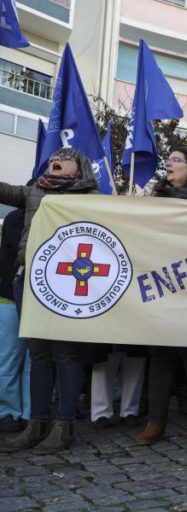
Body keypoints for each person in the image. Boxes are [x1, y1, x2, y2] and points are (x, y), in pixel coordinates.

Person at [0, 148, 99, 453]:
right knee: (40, 355)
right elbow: (5, 191)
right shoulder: (35, 193)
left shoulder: (93, 200)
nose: (57, 158)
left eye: (65, 157)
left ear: (78, 168)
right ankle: (36, 425)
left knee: (66, 355)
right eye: (54, 156)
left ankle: (64, 426)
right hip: (28, 281)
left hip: (68, 287)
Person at [135, 147, 187, 446]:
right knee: (161, 356)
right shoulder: (155, 200)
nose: (169, 163)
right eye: (167, 159)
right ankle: (155, 421)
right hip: (160, 284)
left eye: (176, 160)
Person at [0, 207, 29, 433]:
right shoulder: (15, 218)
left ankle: (30, 413)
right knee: (9, 359)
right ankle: (8, 412)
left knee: (33, 361)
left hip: (37, 302)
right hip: (10, 297)